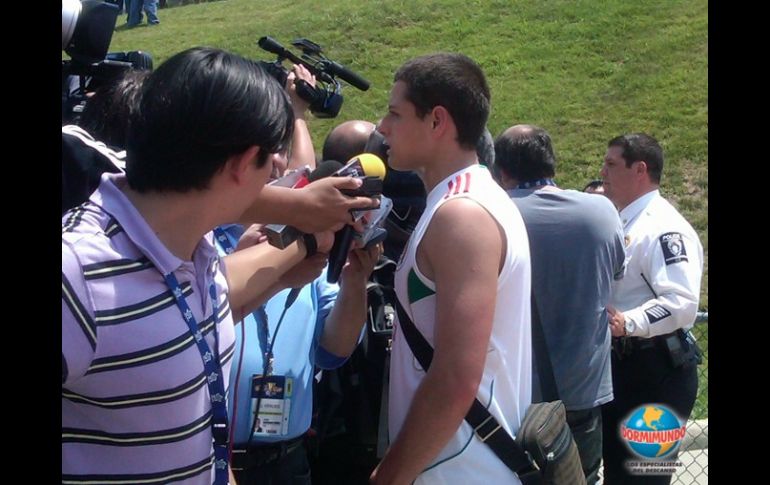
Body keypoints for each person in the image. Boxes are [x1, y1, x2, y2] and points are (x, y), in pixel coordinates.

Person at [62, 46, 344, 485]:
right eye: (273, 157)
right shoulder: (75, 272)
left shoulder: (199, 249)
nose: (280, 171)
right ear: (239, 164)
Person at [371, 53, 532, 484]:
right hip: (457, 461)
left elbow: (457, 377)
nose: (382, 128)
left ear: (437, 121)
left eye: (394, 113)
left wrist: (390, 475)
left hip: (460, 467)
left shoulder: (461, 214)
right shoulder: (469, 199)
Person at [221, 67, 381, 485]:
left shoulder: (314, 241)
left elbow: (334, 350)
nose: (277, 162)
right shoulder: (204, 240)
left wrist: (354, 283)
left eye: (281, 149)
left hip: (289, 459)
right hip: (214, 457)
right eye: (265, 150)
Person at [494, 124, 625, 484]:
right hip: (581, 393)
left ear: (501, 170)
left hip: (507, 398)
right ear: (551, 163)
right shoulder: (601, 211)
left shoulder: (490, 214)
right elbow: (616, 274)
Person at [599, 133, 704, 484]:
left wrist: (628, 322)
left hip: (656, 372)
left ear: (640, 169)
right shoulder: (626, 221)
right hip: (624, 369)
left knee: (643, 479)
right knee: (617, 475)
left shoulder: (663, 228)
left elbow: (681, 304)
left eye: (611, 164)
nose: (603, 172)